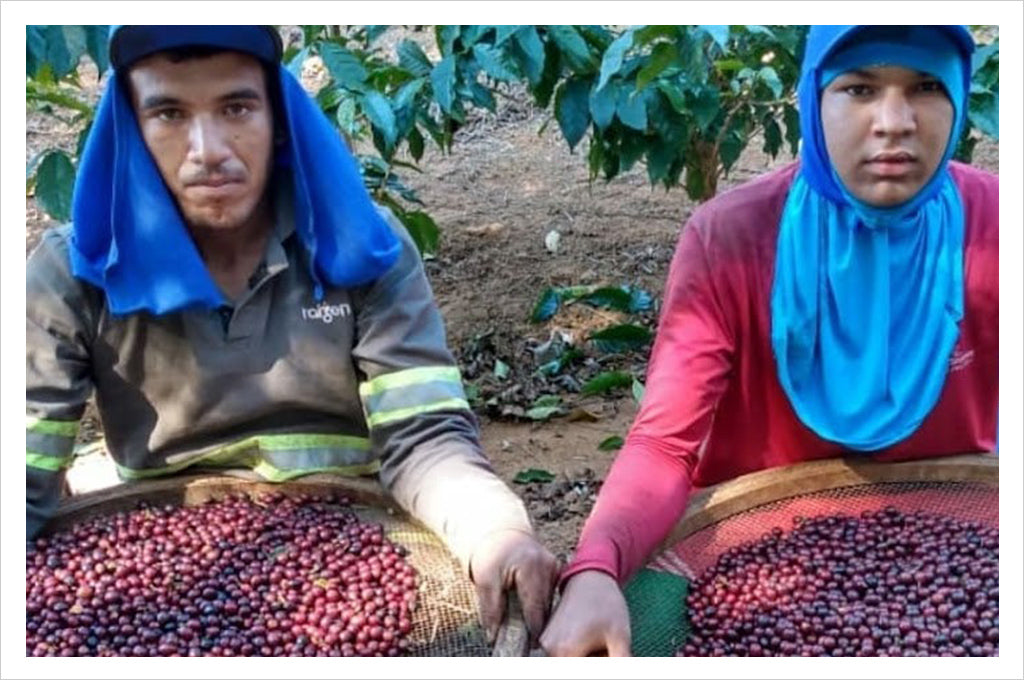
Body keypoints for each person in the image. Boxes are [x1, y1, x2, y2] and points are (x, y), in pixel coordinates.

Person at [25, 25, 557, 643]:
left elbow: (424, 437)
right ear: (132, 132)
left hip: (356, 540)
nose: (208, 149)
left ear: (277, 116)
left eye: (236, 107)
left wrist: (495, 530)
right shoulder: (74, 272)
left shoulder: (362, 246)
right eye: (168, 113)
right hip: (168, 555)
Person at [540, 24, 998, 656]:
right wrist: (596, 566)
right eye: (859, 88)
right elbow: (665, 445)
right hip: (752, 562)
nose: (894, 121)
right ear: (812, 98)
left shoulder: (997, 228)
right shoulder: (730, 239)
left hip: (956, 541)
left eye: (924, 86)